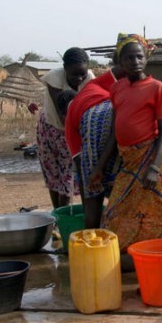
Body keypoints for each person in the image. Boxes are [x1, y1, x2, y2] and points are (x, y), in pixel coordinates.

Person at [92, 33, 162, 255]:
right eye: (129, 58)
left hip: (150, 159)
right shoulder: (117, 89)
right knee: (116, 211)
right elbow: (113, 132)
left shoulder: (156, 88)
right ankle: (138, 255)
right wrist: (99, 167)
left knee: (157, 212)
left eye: (139, 57)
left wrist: (153, 167)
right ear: (121, 62)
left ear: (146, 59)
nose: (135, 62)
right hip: (128, 163)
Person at [65, 64, 126, 229]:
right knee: (124, 185)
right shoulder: (94, 85)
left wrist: (90, 201)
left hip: (96, 122)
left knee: (93, 194)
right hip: (123, 113)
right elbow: (122, 68)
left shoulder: (70, 123)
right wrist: (145, 51)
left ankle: (94, 242)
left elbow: (80, 164)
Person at [37, 47, 94, 210]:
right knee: (52, 173)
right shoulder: (54, 78)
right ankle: (58, 213)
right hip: (51, 127)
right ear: (65, 69)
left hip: (74, 128)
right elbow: (63, 112)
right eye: (74, 74)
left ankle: (64, 213)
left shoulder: (89, 78)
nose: (79, 78)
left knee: (68, 175)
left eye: (82, 73)